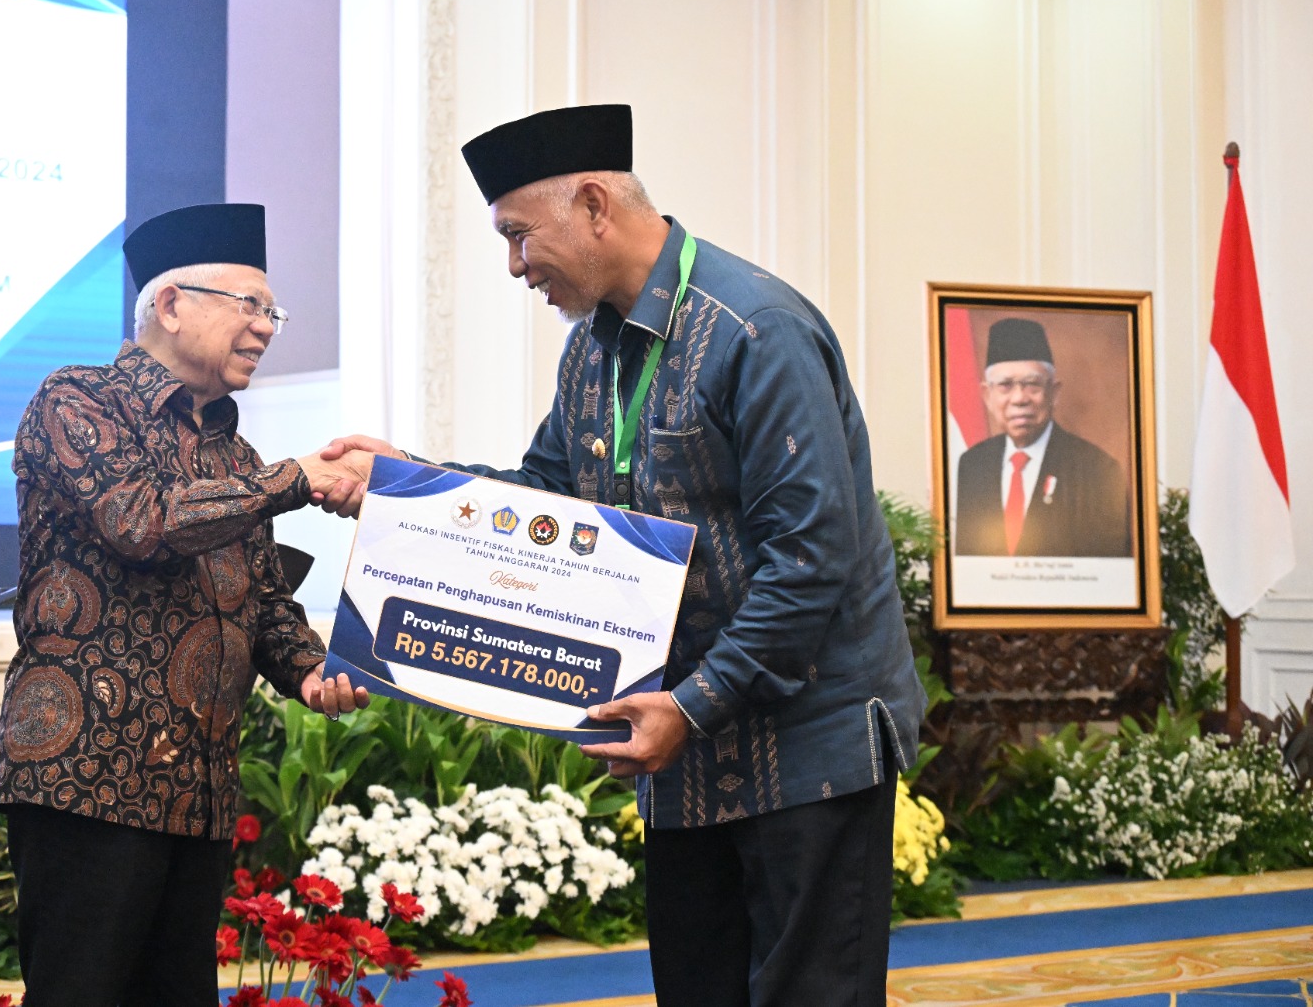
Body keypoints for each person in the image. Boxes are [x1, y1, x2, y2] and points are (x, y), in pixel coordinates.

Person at [319, 105, 925, 1006]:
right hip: (682, 751)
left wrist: (693, 703)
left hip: (806, 749)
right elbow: (551, 506)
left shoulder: (757, 330)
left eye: (519, 236)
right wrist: (409, 484)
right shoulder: (590, 352)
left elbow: (813, 562)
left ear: (594, 204)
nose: (516, 266)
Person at [0, 203, 371, 1007]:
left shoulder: (235, 454)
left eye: (274, 312)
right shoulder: (78, 401)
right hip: (87, 775)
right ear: (170, 305)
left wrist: (311, 674)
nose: (266, 328)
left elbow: (264, 602)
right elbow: (142, 522)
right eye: (249, 306)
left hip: (195, 792)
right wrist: (296, 478)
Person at [953, 317, 1131, 557]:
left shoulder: (1096, 469)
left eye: (1032, 384)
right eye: (1005, 385)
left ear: (1054, 393)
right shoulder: (972, 465)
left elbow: (1106, 571)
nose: (1019, 399)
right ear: (987, 395)